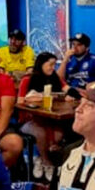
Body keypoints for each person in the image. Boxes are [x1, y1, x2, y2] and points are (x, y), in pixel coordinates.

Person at [18, 52, 69, 180]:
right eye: (50, 65)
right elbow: (20, 102)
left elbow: (67, 89)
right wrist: (36, 98)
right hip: (30, 119)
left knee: (59, 134)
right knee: (40, 133)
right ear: (41, 64)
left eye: (54, 65)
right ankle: (47, 162)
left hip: (50, 119)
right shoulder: (27, 79)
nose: (52, 68)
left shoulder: (55, 78)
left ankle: (39, 157)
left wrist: (74, 95)